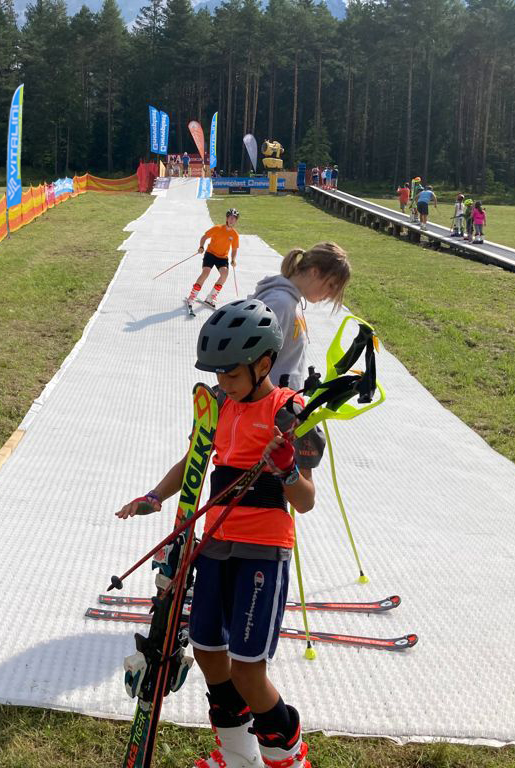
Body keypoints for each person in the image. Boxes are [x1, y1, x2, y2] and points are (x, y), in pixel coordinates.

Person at [116, 299, 324, 768]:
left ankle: (289, 760)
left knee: (249, 672)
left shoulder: (289, 411)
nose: (222, 382)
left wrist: (287, 468)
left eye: (230, 373)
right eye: (217, 373)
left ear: (263, 364)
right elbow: (193, 460)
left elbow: (306, 501)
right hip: (214, 545)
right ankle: (238, 755)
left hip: (262, 552)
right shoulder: (219, 406)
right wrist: (154, 496)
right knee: (209, 652)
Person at [250, 243, 351, 391]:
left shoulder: (292, 301)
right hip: (270, 401)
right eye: (330, 285)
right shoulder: (280, 304)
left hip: (281, 398)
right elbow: (251, 363)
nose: (330, 295)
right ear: (314, 272)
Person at [187, 208, 240, 309]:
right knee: (206, 272)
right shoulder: (217, 228)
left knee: (224, 274)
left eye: (234, 218)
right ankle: (192, 296)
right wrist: (201, 246)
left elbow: (234, 249)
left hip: (222, 257)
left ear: (236, 221)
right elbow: (204, 237)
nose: (232, 220)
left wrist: (233, 259)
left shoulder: (235, 235)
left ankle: (211, 297)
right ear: (227, 218)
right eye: (230, 217)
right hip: (210, 254)